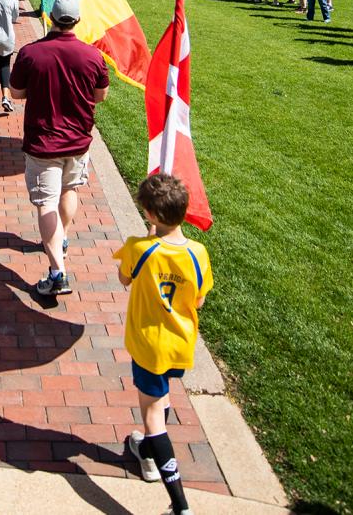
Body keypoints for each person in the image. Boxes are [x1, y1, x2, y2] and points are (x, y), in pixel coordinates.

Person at [115, 174, 210, 515]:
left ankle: (179, 503)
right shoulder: (199, 252)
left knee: (153, 415)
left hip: (148, 344)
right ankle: (148, 449)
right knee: (162, 394)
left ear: (151, 215)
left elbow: (124, 278)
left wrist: (145, 240)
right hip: (180, 343)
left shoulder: (139, 248)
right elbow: (198, 301)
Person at [10, 0, 110, 296]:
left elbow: (16, 93)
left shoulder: (31, 53)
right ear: (77, 21)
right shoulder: (93, 56)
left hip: (44, 143)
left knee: (45, 203)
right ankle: (61, 238)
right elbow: (100, 96)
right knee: (69, 191)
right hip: (78, 141)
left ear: (50, 18)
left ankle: (57, 273)